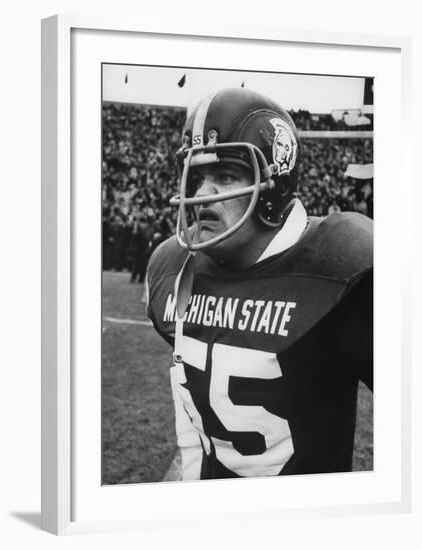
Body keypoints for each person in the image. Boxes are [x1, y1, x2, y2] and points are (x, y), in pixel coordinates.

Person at [146, 87, 373, 480]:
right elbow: (205, 426)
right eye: (197, 177)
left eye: (225, 175)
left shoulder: (341, 266)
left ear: (276, 184)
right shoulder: (173, 270)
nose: (201, 195)